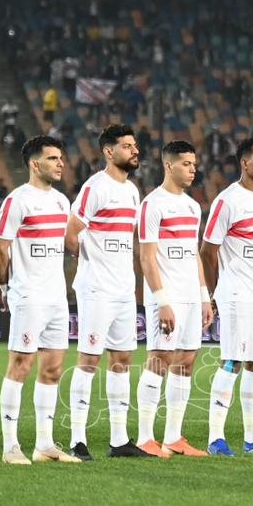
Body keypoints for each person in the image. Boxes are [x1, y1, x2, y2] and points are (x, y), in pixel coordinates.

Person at [0, 136, 80, 465]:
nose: (60, 163)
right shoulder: (17, 201)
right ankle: (10, 446)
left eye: (61, 157)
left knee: (53, 369)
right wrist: (6, 288)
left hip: (57, 297)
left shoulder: (61, 201)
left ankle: (44, 445)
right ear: (34, 163)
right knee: (20, 366)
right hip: (28, 295)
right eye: (53, 158)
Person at [66, 124, 148, 459]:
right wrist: (90, 261)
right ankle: (77, 440)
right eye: (128, 146)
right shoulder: (95, 187)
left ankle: (119, 441)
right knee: (89, 359)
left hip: (124, 289)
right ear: (109, 151)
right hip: (97, 288)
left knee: (122, 359)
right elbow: (71, 233)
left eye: (135, 145)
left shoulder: (133, 191)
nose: (135, 151)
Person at [135, 140, 213, 457]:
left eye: (194, 164)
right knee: (160, 359)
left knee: (187, 361)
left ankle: (173, 438)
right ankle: (144, 437)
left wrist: (204, 296)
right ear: (169, 166)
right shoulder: (153, 204)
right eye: (186, 164)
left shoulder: (192, 206)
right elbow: (147, 257)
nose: (193, 170)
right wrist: (161, 300)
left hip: (191, 295)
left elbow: (194, 253)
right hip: (166, 296)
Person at [201, 137, 253, 456]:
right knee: (232, 361)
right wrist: (212, 293)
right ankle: (215, 438)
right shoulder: (228, 200)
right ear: (245, 163)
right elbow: (208, 251)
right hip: (237, 293)